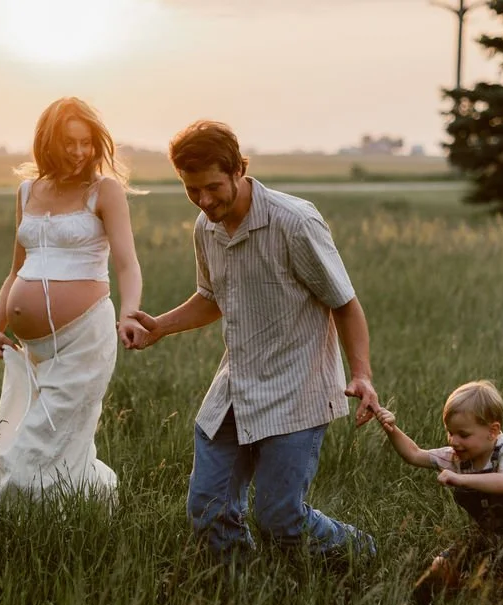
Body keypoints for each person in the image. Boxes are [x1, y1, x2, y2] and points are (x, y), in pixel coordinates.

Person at [127, 120, 379, 562]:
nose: (204, 201)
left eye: (212, 187)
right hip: (235, 389)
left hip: (296, 392)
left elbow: (345, 303)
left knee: (281, 520)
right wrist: (160, 327)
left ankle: (360, 553)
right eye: (192, 191)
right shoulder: (206, 229)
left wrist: (362, 375)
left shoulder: (294, 222)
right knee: (209, 510)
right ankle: (237, 593)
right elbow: (212, 297)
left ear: (239, 169)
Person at [0, 96, 144, 507]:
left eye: (86, 143)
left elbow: (127, 264)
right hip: (35, 350)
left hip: (85, 339)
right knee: (56, 441)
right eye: (68, 142)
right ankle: (80, 517)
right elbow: (16, 268)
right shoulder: (26, 192)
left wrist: (129, 314)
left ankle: (15, 523)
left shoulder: (104, 191)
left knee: (34, 446)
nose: (78, 152)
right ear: (47, 142)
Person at [375, 380, 503, 605]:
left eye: (463, 435)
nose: (453, 441)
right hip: (487, 532)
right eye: (450, 432)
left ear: (493, 431)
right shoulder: (458, 456)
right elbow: (414, 454)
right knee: (440, 566)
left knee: (501, 591)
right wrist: (391, 429)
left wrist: (460, 480)